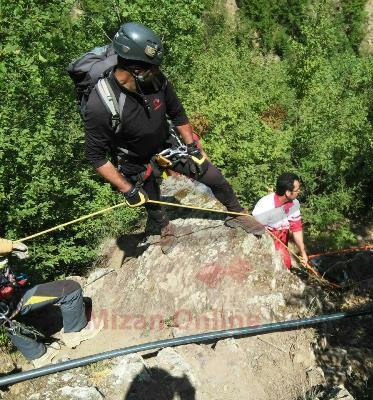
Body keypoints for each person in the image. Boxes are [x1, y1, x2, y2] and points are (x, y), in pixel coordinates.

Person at [83, 22, 264, 250]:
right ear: (135, 70)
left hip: (167, 144)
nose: (158, 72)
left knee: (213, 176)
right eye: (152, 68)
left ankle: (237, 212)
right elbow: (95, 156)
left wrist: (193, 148)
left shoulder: (156, 81)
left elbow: (177, 114)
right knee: (151, 201)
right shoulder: (100, 105)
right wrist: (126, 189)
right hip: (135, 160)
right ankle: (162, 225)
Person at [0, 239, 102, 368]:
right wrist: (10, 245)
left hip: (4, 306)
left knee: (6, 317)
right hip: (9, 300)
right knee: (71, 289)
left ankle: (38, 355)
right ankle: (76, 332)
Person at [252, 173, 308, 269]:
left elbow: (296, 229)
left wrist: (303, 253)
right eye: (297, 190)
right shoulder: (265, 206)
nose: (299, 191)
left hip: (282, 241)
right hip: (266, 241)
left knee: (286, 264)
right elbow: (255, 233)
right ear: (287, 192)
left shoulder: (294, 204)